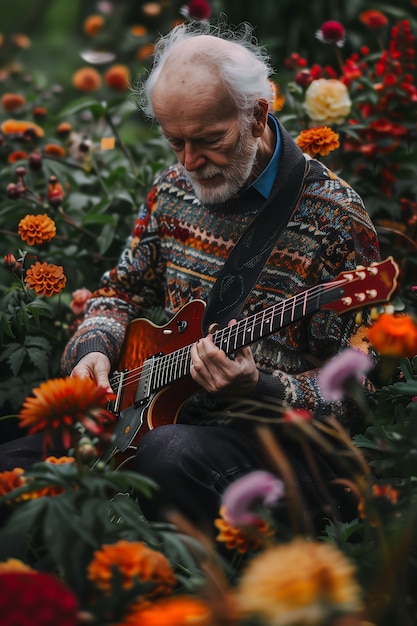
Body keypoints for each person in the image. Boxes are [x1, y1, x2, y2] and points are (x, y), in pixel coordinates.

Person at [1, 19, 381, 537]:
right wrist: (94, 348)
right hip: (152, 411)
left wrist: (262, 386)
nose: (189, 161)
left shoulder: (335, 219)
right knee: (14, 464)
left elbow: (359, 392)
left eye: (207, 139)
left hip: (272, 444)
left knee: (166, 456)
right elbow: (118, 292)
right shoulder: (172, 189)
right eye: (174, 140)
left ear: (256, 115)